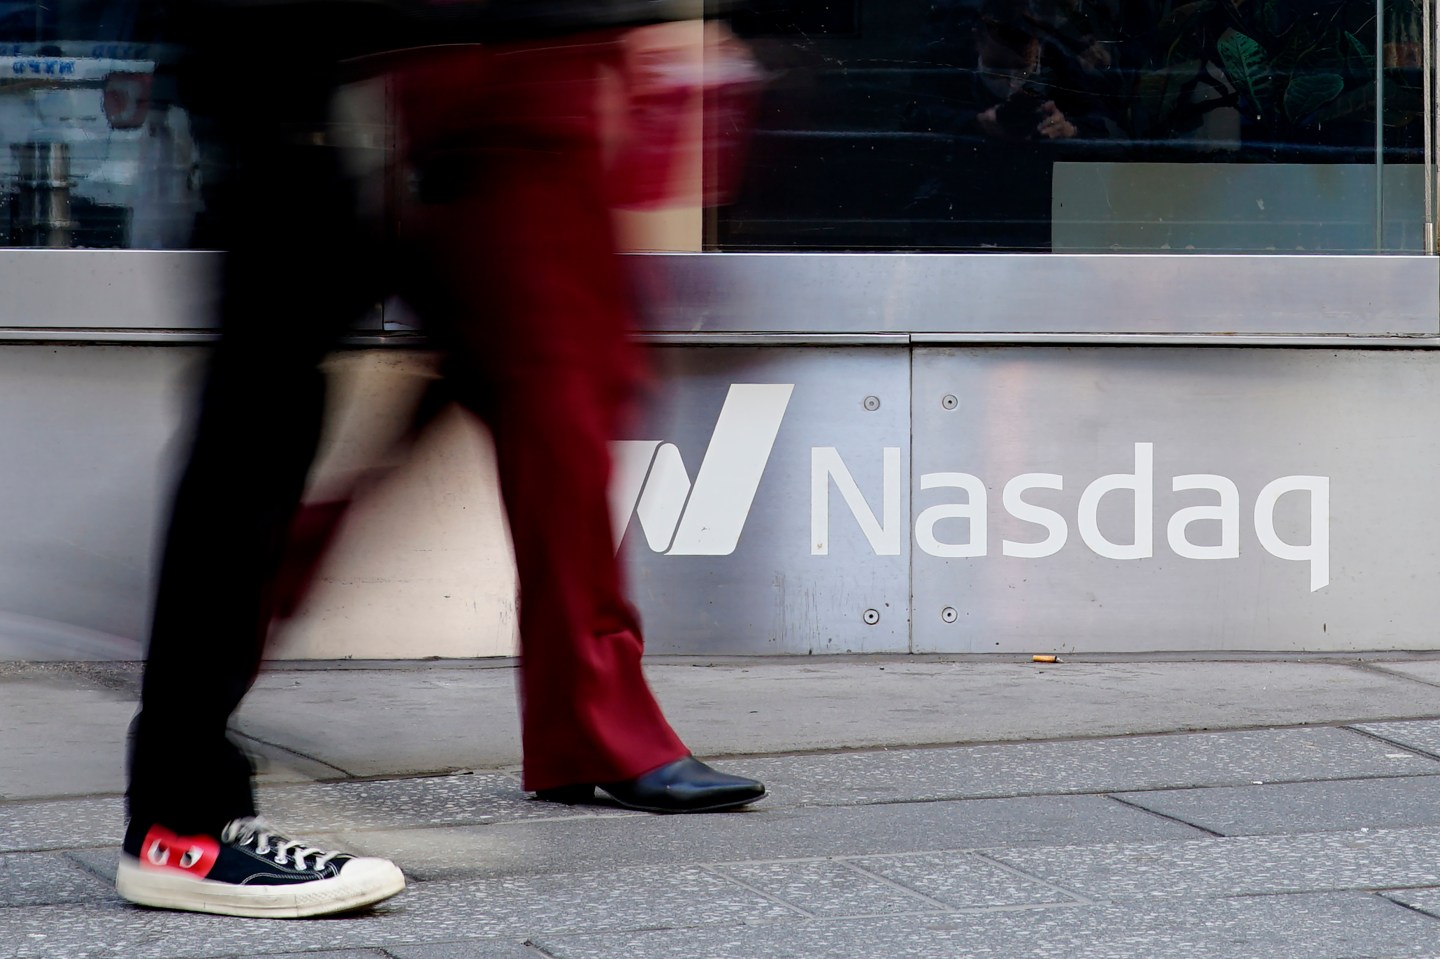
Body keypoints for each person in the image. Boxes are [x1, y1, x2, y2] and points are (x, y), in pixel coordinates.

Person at [117, 0, 765, 920]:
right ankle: (181, 815)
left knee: (300, 415)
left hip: (377, 87)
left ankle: (192, 782)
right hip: (408, 82)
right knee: (276, 423)